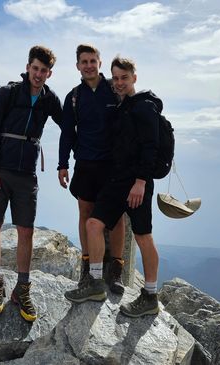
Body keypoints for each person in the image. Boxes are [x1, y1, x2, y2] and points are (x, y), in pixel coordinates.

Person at [65, 56, 160, 318]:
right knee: (94, 224)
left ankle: (150, 295)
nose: (119, 82)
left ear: (134, 78)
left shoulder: (144, 107)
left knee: (143, 236)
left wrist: (141, 182)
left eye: (124, 78)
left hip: (138, 184)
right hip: (117, 181)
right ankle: (95, 282)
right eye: (115, 77)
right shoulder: (123, 107)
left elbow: (150, 148)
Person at [0, 45, 62, 321]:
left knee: (26, 231)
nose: (38, 74)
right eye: (35, 68)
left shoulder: (50, 99)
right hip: (0, 171)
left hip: (27, 174)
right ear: (28, 67)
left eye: (44, 71)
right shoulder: (8, 93)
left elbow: (71, 127)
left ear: (49, 73)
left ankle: (22, 289)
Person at [58, 44, 125, 294]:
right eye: (84, 61)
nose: (88, 65)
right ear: (77, 65)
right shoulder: (74, 96)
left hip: (113, 165)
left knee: (117, 217)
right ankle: (88, 269)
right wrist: (62, 164)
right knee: (85, 214)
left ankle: (115, 270)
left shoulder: (114, 90)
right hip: (85, 164)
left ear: (100, 63)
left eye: (92, 61)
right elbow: (67, 133)